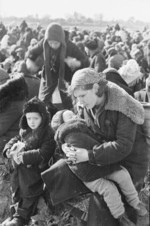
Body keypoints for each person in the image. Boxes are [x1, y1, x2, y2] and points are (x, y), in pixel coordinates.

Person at [64, 68, 149, 225]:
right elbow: (79, 127)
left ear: (96, 88)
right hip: (105, 159)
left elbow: (123, 146)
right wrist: (68, 145)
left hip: (131, 162)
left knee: (121, 202)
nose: (79, 102)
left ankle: (136, 214)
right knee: (92, 199)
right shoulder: (86, 105)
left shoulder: (122, 103)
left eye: (82, 96)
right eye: (77, 98)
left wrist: (89, 155)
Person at [49, 109, 148, 226]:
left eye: (73, 113)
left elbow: (94, 140)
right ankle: (121, 216)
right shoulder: (68, 135)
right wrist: (64, 146)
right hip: (89, 175)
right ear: (63, 125)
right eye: (70, 116)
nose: (75, 116)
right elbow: (68, 153)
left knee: (122, 174)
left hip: (99, 165)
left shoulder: (84, 127)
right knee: (109, 189)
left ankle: (135, 203)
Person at [2, 97, 56, 226]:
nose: (32, 122)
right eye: (29, 118)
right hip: (20, 168)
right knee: (16, 188)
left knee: (28, 190)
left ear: (43, 117)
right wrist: (8, 149)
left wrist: (24, 157)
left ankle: (21, 217)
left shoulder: (47, 133)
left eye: (35, 118)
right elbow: (15, 138)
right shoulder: (25, 130)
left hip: (36, 169)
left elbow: (44, 152)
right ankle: (14, 212)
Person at [26, 22, 90, 112]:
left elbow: (86, 61)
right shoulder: (44, 43)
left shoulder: (70, 46)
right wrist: (30, 62)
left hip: (65, 78)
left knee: (68, 106)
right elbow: (31, 53)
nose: (52, 45)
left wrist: (78, 63)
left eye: (56, 43)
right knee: (43, 104)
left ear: (61, 40)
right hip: (48, 78)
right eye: (50, 43)